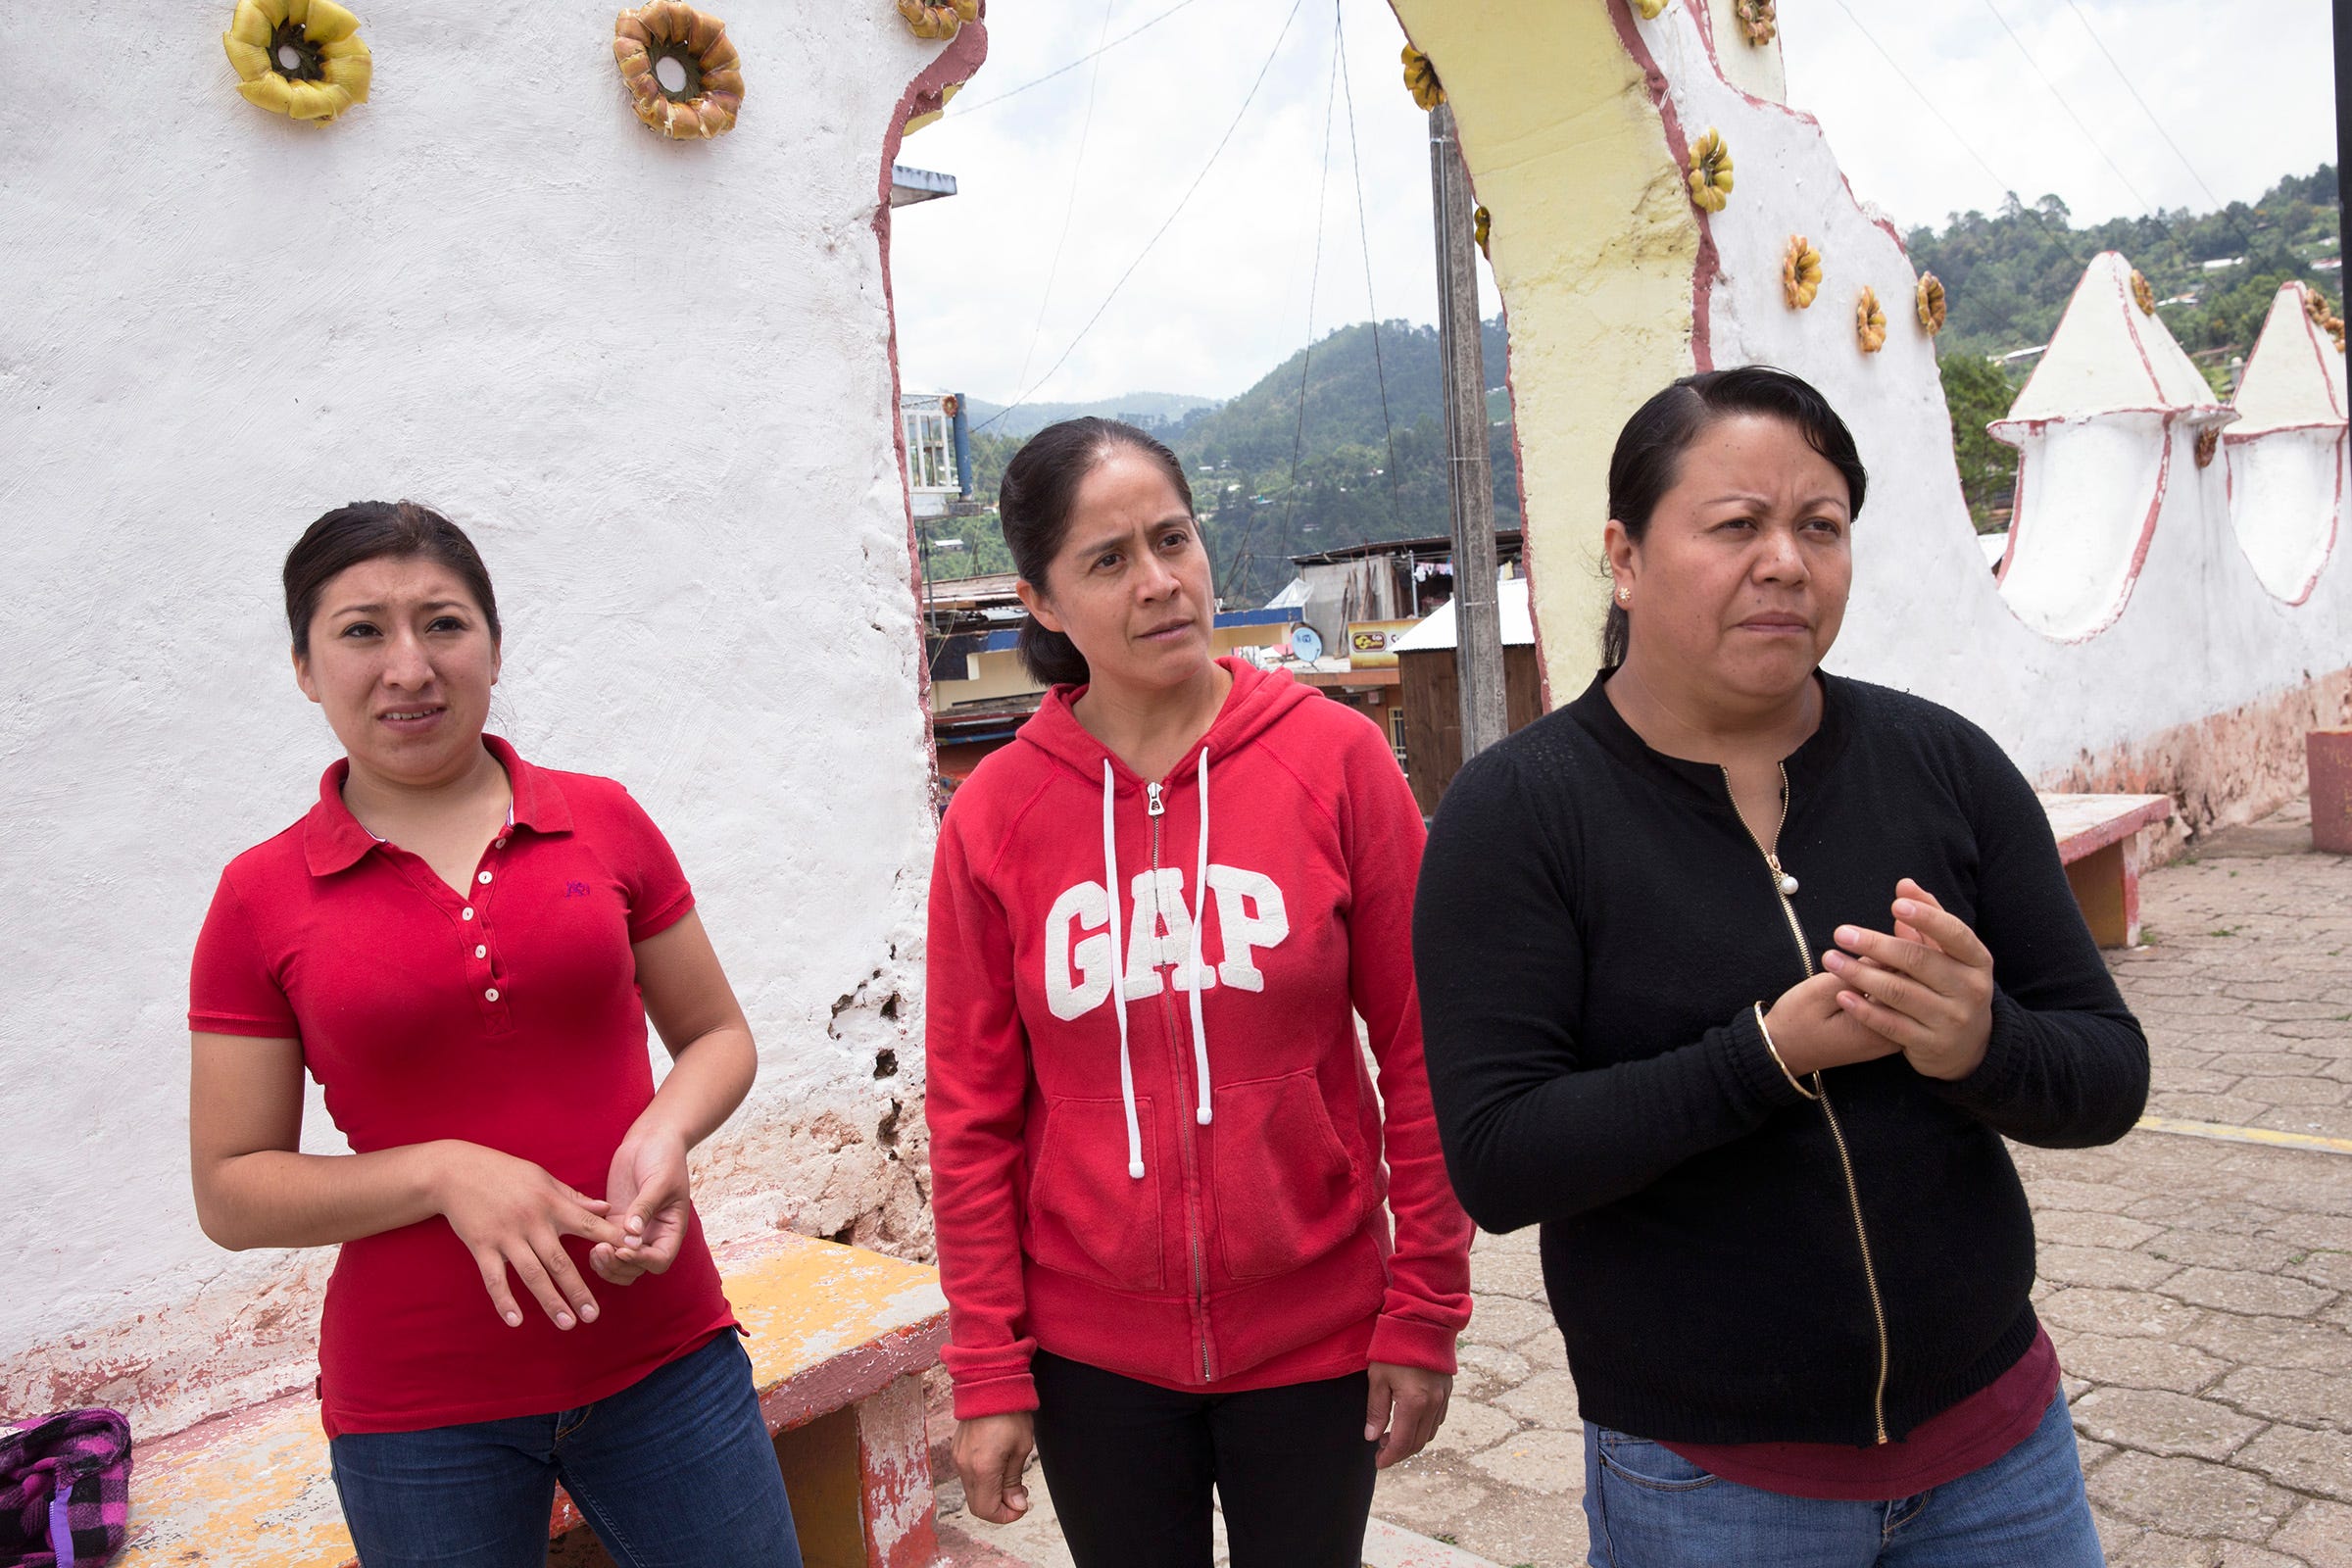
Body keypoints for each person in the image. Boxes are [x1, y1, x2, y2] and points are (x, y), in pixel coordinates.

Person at [1414, 367, 2146, 1568]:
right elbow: (1500, 1158)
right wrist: (1763, 1057)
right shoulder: (1522, 813)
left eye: (1821, 526)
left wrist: (1979, 1044)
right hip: (1709, 1483)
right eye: (1736, 526)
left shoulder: (1943, 764)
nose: (1787, 563)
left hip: (1998, 1453)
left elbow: (2109, 1074)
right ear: (1626, 554)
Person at [187, 502, 800, 1568]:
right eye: (362, 630)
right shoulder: (258, 897)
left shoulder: (602, 818)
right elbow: (232, 1191)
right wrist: (440, 1173)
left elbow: (716, 1037)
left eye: (444, 623)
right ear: (303, 665)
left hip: (665, 1354)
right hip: (420, 1412)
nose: (409, 666)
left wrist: (665, 1133)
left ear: (497, 645)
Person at [924, 419, 1473, 1567]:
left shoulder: (1335, 762)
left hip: (1319, 1337)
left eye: (1173, 539)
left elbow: (1429, 1051)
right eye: (1109, 559)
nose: (1161, 582)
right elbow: (970, 1118)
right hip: (1092, 1359)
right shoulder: (995, 817)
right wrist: (989, 1365)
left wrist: (1423, 1301)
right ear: (1042, 597)